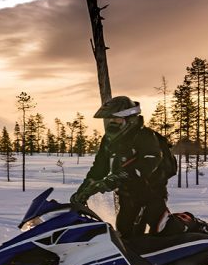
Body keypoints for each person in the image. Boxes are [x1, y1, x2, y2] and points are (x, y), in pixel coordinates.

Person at [70, 95, 175, 238]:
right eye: (109, 119)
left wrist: (115, 179)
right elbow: (99, 169)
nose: (112, 123)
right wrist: (83, 192)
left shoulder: (145, 136)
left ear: (129, 119)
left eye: (116, 119)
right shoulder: (108, 140)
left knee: (162, 231)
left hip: (150, 194)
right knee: (124, 235)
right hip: (126, 196)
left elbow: (149, 163)